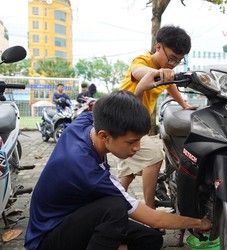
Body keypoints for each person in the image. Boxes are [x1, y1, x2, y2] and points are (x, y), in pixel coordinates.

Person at [24, 90, 212, 250]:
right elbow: (155, 219)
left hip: (76, 219)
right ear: (104, 136)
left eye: (139, 140)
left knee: (151, 239)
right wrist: (198, 222)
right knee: (114, 208)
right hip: (46, 238)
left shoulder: (86, 122)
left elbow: (114, 107)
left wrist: (140, 90)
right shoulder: (87, 171)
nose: (137, 147)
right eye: (131, 142)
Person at [117, 25, 197, 209]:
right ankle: (150, 209)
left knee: (126, 175)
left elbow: (170, 85)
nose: (172, 64)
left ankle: (115, 208)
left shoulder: (164, 69)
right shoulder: (143, 61)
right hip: (123, 122)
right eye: (171, 58)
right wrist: (156, 73)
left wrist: (184, 104)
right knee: (154, 157)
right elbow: (138, 71)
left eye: (178, 61)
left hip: (134, 124)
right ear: (158, 47)